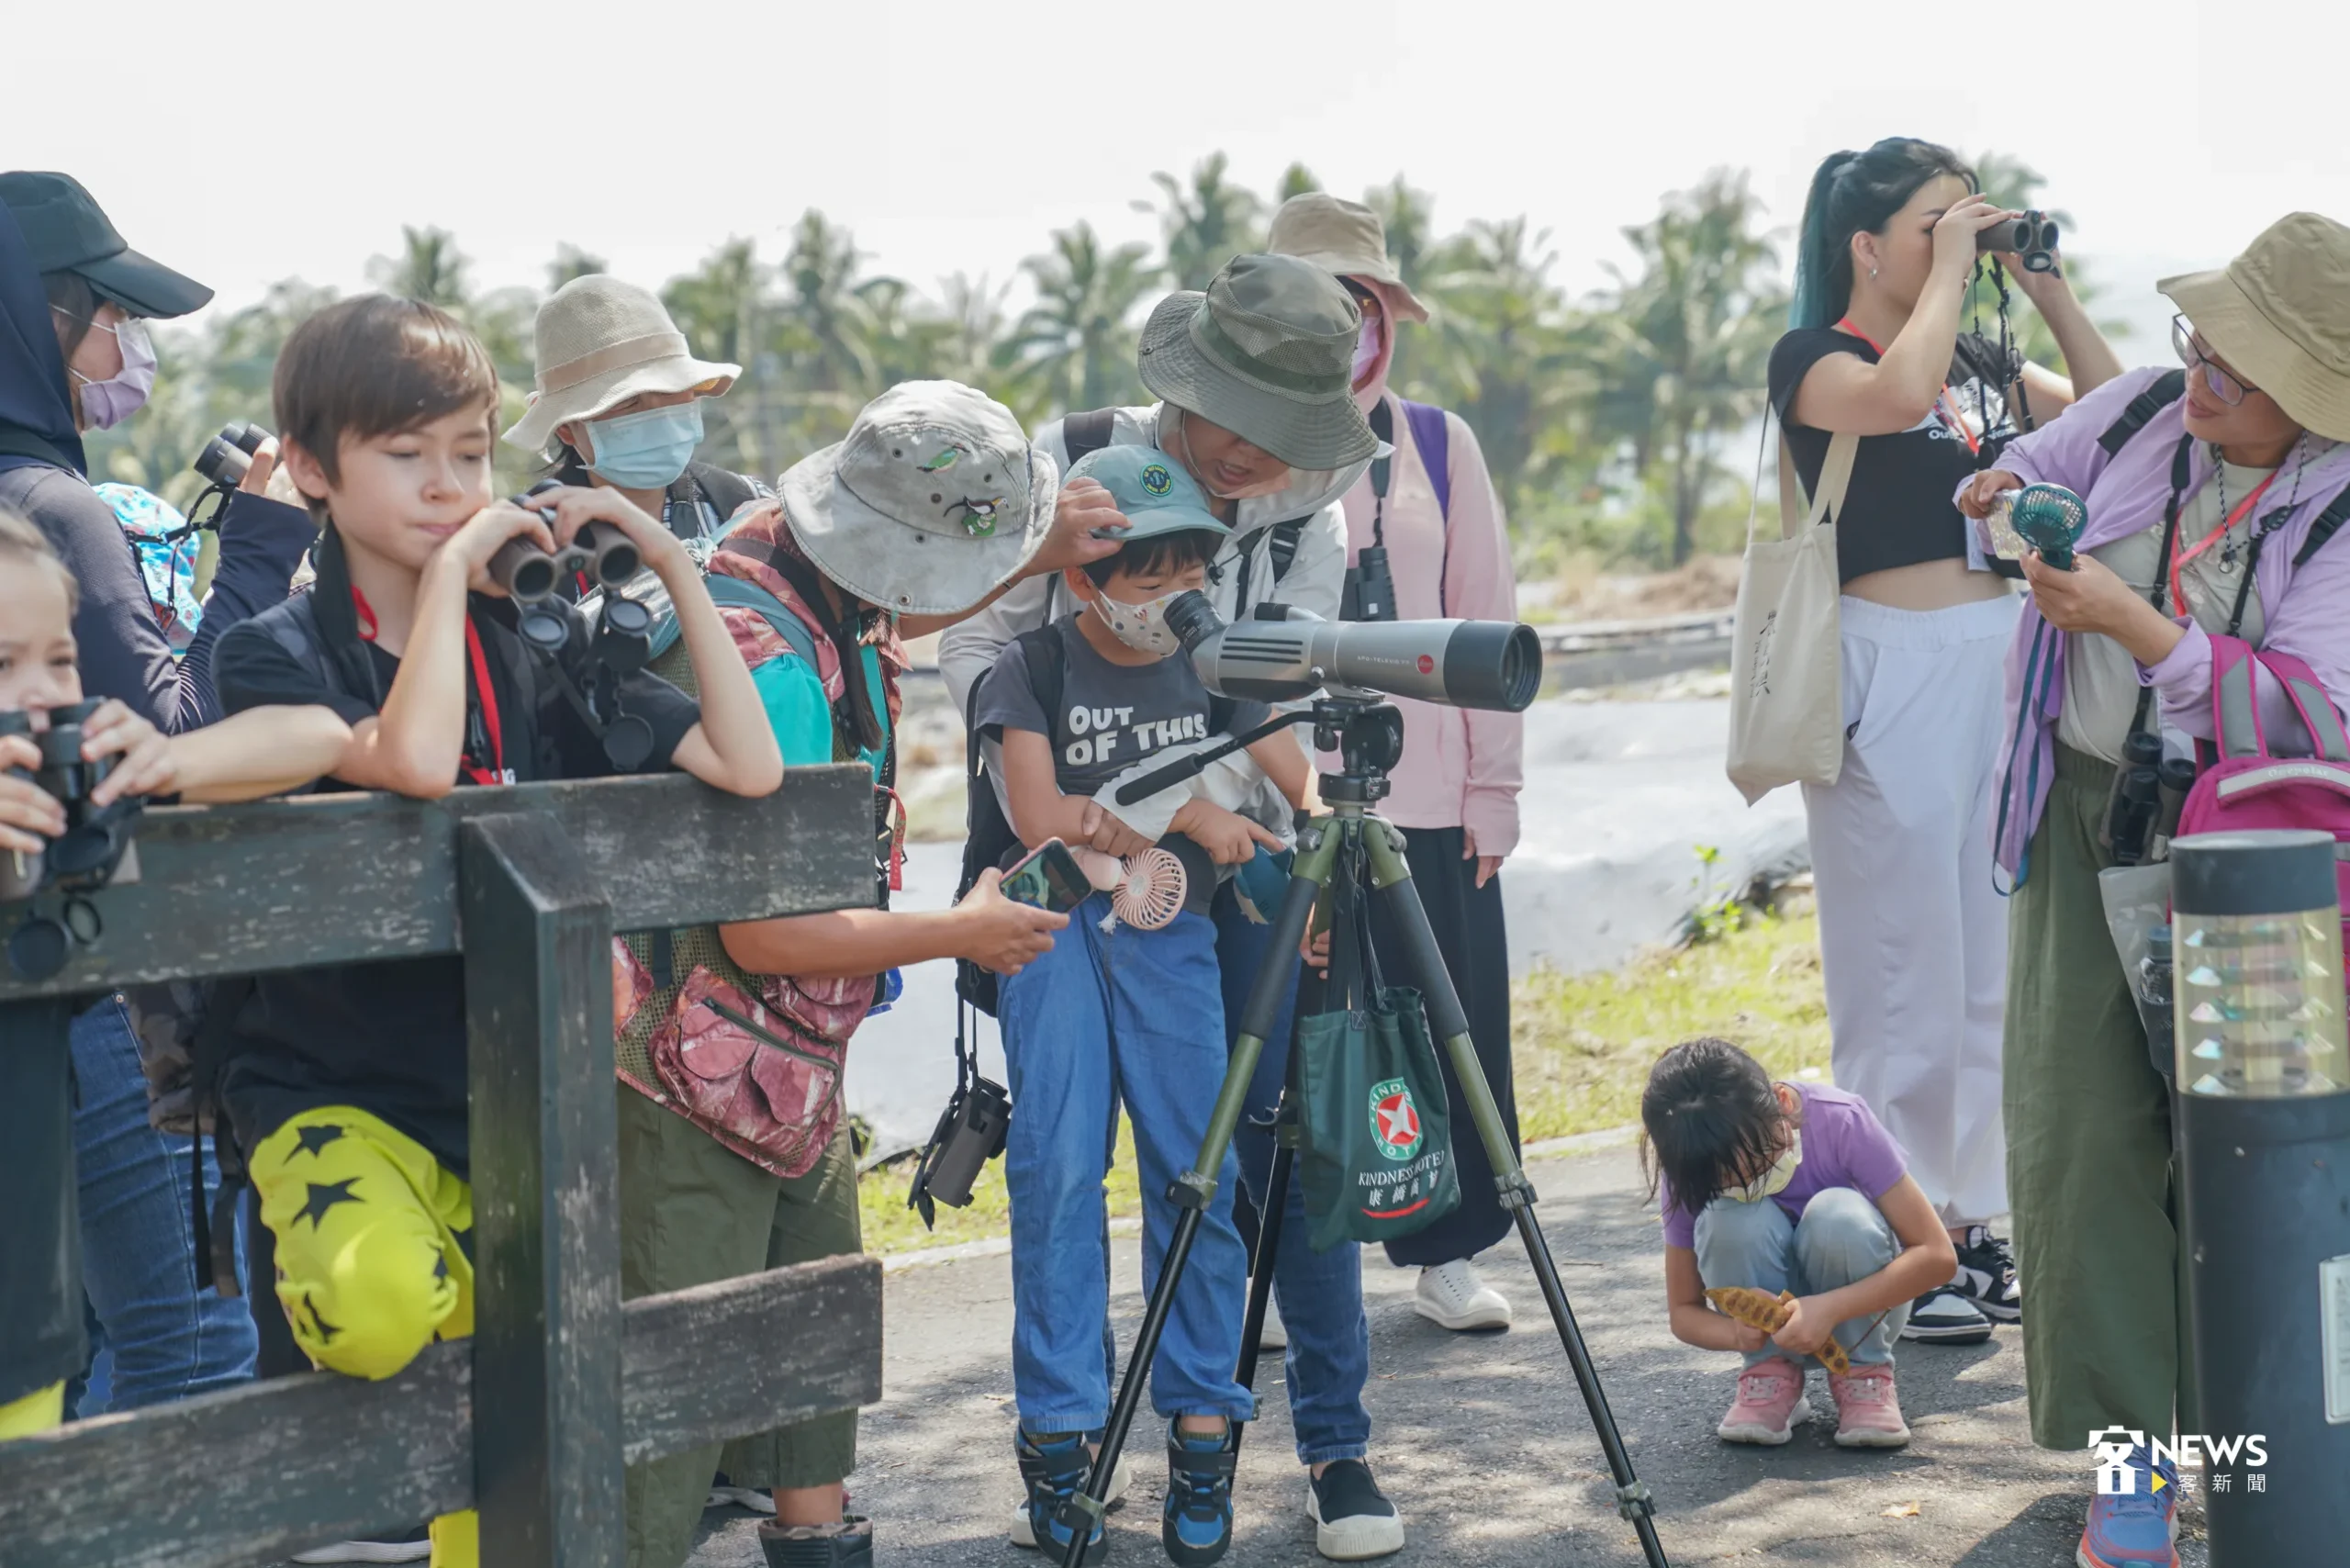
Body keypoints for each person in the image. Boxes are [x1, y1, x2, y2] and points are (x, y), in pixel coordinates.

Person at [207, 293, 782, 1568]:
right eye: (405, 456)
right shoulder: (272, 655)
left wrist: (674, 563)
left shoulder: (540, 648)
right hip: (330, 1091)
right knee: (375, 1311)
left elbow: (747, 770)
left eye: (470, 454)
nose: (447, 484)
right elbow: (413, 759)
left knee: (505, 1476)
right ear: (309, 468)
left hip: (520, 1106)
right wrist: (462, 572)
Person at [940, 253, 1410, 1561]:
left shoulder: (1314, 501)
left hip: (1235, 859)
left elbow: (1277, 679)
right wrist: (1122, 817)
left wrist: (1265, 828)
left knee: (1275, 1150)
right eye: (1244, 428)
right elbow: (971, 647)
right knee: (1066, 1164)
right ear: (1189, 392)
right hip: (1071, 878)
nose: (1263, 458)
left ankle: (1327, 1443)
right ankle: (1070, 1443)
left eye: (1292, 434)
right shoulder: (1073, 462)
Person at [602, 380, 1071, 1568]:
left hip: (783, 1069)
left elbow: (894, 617)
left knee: (814, 1357)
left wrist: (1036, 555)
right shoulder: (767, 670)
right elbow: (770, 937)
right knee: (667, 1401)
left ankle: (817, 1534)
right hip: (686, 1086)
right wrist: (961, 930)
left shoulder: (777, 552)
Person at [1954, 211, 2350, 1568]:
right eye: (2204, 343)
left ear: (2313, 399)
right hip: (2079, 813)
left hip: (2254, 865)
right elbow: (2015, 475)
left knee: (2257, 1157)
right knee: (2083, 1134)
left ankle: (2288, 1443)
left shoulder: (2344, 505)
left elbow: (2310, 719)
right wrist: (2002, 509)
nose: (2205, 376)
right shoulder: (2133, 418)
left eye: (2243, 366)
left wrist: (2135, 627)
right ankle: (2135, 1464)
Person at [1769, 139, 2121, 1346]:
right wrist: (1948, 277)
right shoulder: (1815, 358)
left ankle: (1972, 1228)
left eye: (1965, 221)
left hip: (2000, 663)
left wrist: (2043, 286)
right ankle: (1898, 1236)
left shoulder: (1975, 359)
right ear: (1866, 246)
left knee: (1991, 966)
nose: (1955, 242)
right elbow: (1895, 400)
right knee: (1901, 968)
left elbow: (2120, 419)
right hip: (1887, 672)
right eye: (1934, 225)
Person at [1, 171, 316, 1417]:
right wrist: (259, 548)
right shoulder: (54, 504)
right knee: (185, 1345)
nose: (124, 350)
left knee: (49, 1356)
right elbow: (176, 729)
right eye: (108, 318)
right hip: (93, 973)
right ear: (41, 316)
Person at [976, 444, 1315, 1567]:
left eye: (1185, 575)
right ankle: (1062, 1437)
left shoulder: (1209, 655)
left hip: (1172, 935)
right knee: (1061, 1171)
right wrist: (1177, 822)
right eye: (1142, 576)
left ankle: (1204, 1420)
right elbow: (1037, 811)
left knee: (1194, 1167)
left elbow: (1285, 759)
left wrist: (1320, 807)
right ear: (1083, 581)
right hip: (1051, 927)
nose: (1166, 599)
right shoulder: (1027, 666)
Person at [0, 508, 349, 1442]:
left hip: (28, 1339)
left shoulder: (69, 812)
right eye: (3, 666)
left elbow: (319, 733)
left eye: (62, 660)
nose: (39, 693)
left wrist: (166, 757)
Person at [1269, 192, 1528, 1340]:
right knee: (1284, 1030)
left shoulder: (1436, 442)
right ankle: (1272, 1262)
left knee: (1450, 1021)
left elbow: (1486, 617)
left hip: (1425, 789)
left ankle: (1448, 1247)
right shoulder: (1247, 439)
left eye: (1362, 301)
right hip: (1281, 790)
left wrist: (1493, 790)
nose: (1347, 325)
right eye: (1319, 303)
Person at [1642, 1037, 1958, 1450]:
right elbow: (1683, 1312)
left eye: (1760, 1161)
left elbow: (1937, 1256)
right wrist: (1736, 1334)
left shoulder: (1841, 1121)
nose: (1749, 1181)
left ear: (1783, 1101)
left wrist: (1831, 1307)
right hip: (1766, 1339)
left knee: (1836, 1213)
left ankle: (1865, 1377)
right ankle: (1770, 1376)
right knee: (1728, 1218)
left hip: (1863, 1315)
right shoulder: (1690, 1167)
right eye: (1728, 1183)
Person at [506, 273, 765, 539]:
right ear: (567, 429)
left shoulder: (750, 508)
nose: (657, 412)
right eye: (626, 401)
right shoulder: (529, 542)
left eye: (670, 390)